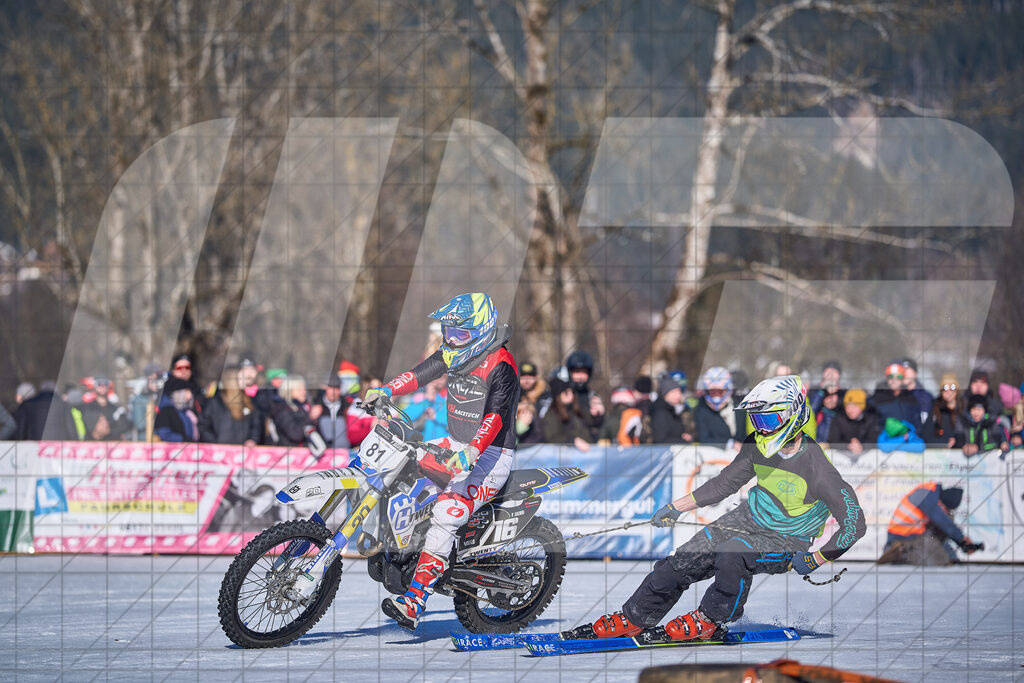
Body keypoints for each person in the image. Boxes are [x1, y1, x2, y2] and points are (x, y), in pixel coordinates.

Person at [581, 376, 865, 642]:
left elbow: (855, 525)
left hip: (788, 538)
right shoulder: (757, 445)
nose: (761, 428)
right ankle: (633, 617)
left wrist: (816, 559)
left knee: (733, 551)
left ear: (793, 415)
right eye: (757, 420)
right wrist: (675, 507)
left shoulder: (818, 468)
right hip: (748, 518)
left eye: (768, 419)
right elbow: (724, 483)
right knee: (683, 559)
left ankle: (711, 618)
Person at [367, 293, 520, 631]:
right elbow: (419, 374)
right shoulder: (454, 354)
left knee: (446, 513)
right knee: (396, 465)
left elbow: (494, 417)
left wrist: (473, 450)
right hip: (453, 442)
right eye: (448, 332)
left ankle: (414, 602)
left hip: (491, 454)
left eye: (460, 334)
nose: (452, 340)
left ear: (482, 331)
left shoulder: (501, 365)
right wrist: (386, 390)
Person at [878, 482, 981, 566]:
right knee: (938, 560)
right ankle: (901, 554)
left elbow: (943, 531)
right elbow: (943, 522)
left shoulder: (932, 493)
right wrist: (961, 539)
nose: (945, 511)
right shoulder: (927, 495)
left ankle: (905, 553)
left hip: (915, 534)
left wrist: (955, 556)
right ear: (942, 502)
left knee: (944, 558)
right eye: (946, 508)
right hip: (901, 537)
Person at [539, 377, 592, 450]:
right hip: (564, 456)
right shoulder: (551, 414)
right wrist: (572, 441)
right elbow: (551, 438)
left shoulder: (577, 410)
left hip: (587, 454)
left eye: (572, 392)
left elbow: (590, 426)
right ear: (558, 396)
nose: (570, 395)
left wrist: (598, 416)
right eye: (566, 392)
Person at [693, 367, 740, 449]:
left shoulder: (739, 406)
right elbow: (703, 438)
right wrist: (730, 444)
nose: (716, 396)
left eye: (720, 391)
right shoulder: (701, 409)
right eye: (712, 391)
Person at [826, 388, 878, 457]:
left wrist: (861, 446)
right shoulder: (839, 418)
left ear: (861, 406)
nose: (850, 410)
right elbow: (833, 440)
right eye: (847, 406)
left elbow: (873, 440)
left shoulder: (870, 419)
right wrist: (849, 446)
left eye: (854, 406)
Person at [649, 373, 694, 444]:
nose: (678, 395)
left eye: (679, 391)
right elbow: (661, 440)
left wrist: (686, 436)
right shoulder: (660, 412)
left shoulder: (673, 410)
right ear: (665, 393)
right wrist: (683, 441)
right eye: (674, 392)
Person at [925, 373, 966, 449]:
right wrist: (944, 443)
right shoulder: (935, 410)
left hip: (962, 455)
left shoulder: (964, 409)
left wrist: (956, 441)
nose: (948, 391)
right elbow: (926, 435)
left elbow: (970, 434)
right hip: (940, 454)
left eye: (952, 388)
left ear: (957, 390)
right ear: (941, 391)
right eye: (945, 388)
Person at [153, 377, 200, 442]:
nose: (190, 396)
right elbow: (164, 434)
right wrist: (183, 439)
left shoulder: (188, 412)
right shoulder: (166, 412)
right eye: (186, 391)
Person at [900, 358, 934, 425]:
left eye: (907, 369)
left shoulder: (926, 397)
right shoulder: (895, 395)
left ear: (915, 373)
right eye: (902, 370)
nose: (904, 373)